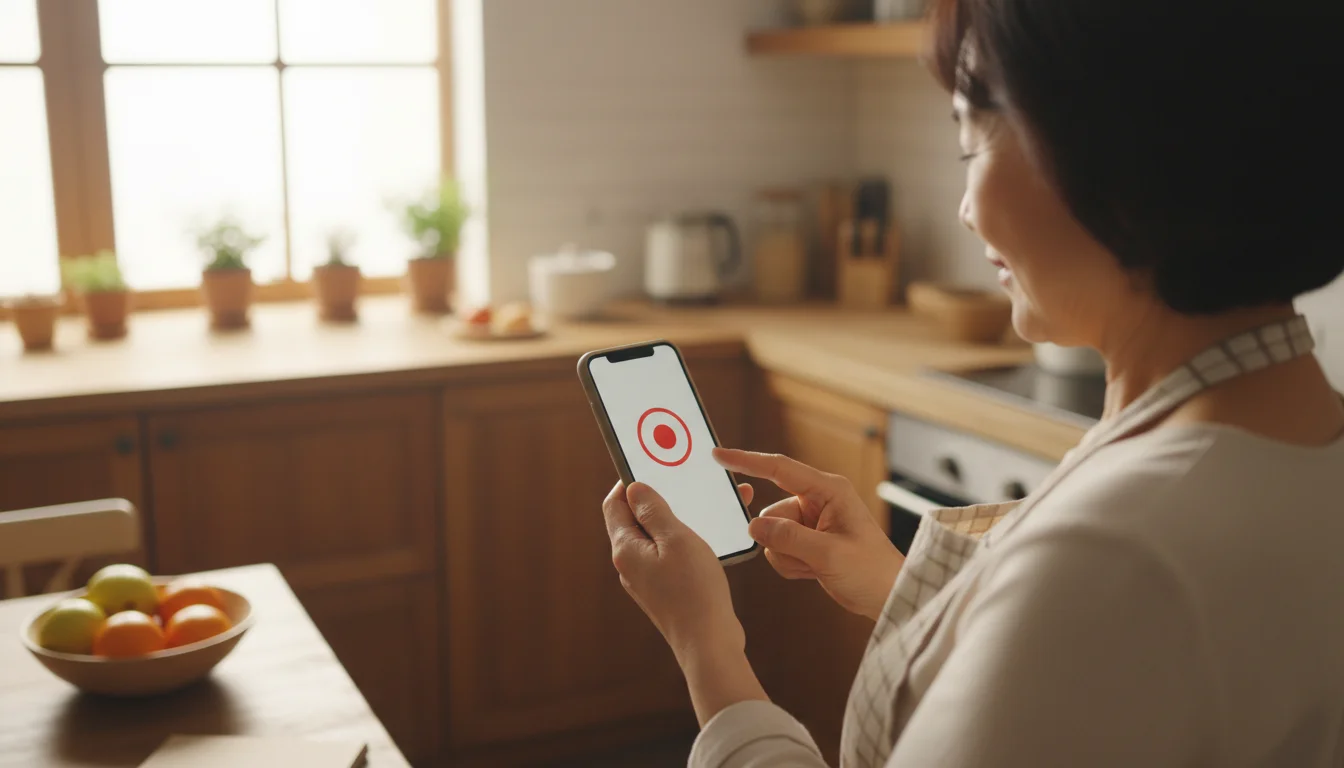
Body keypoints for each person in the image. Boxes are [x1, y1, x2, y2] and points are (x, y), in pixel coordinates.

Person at [599, 1, 1344, 765]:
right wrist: (901, 585)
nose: (962, 210)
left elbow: (1094, 616)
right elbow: (1090, 687)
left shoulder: (1115, 560)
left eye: (970, 144)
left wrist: (705, 646)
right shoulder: (1298, 439)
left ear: (1115, 154)